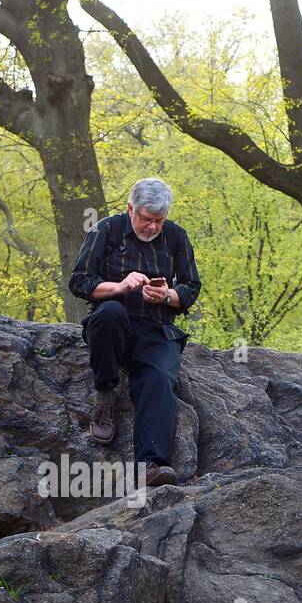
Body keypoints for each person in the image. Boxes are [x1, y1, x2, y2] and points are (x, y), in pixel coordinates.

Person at [68, 178, 201, 487]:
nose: (152, 226)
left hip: (156, 329)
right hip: (113, 324)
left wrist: (168, 296)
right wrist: (119, 286)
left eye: (158, 220)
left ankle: (150, 465)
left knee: (158, 380)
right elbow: (79, 281)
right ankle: (105, 393)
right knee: (111, 313)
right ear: (130, 209)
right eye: (145, 218)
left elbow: (191, 287)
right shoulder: (106, 229)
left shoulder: (176, 237)